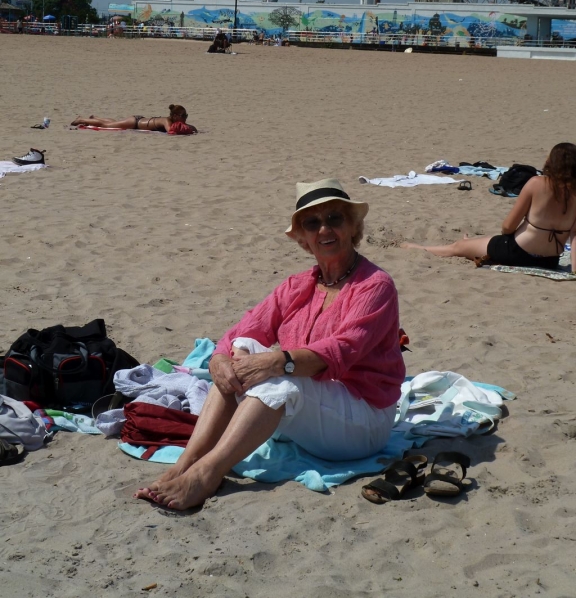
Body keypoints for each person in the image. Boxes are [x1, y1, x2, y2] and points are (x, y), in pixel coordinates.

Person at [135, 178, 406, 509]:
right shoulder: (298, 285)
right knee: (242, 350)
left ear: (352, 227)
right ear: (304, 239)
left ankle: (207, 473)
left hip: (363, 421)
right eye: (312, 223)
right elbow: (247, 328)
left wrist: (278, 362)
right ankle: (186, 463)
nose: (324, 229)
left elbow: (341, 350)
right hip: (314, 413)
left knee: (281, 377)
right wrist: (219, 360)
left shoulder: (375, 286)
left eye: (334, 218)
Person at [402, 143, 576, 271]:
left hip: (517, 252)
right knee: (483, 242)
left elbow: (507, 227)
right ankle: (471, 243)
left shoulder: (536, 183)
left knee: (458, 247)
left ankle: (419, 248)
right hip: (549, 261)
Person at [71, 104, 197, 134]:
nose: (185, 118)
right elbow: (171, 131)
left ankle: (96, 117)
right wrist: (188, 129)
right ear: (175, 116)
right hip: (135, 123)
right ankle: (82, 120)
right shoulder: (166, 121)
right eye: (183, 116)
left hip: (138, 120)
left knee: (114, 122)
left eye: (186, 116)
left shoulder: (169, 120)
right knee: (106, 126)